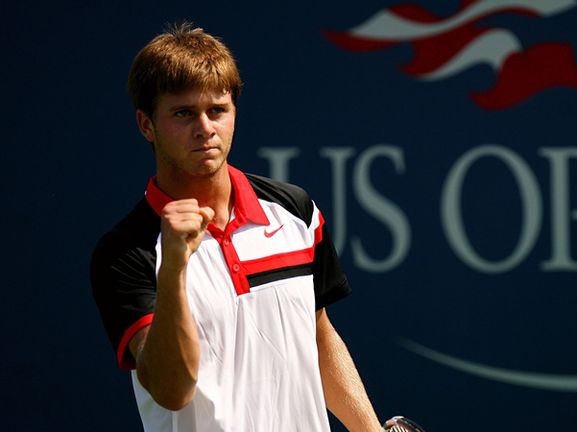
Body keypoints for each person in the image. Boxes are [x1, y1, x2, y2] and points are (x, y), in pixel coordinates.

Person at [91, 22, 381, 432]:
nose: (204, 128)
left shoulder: (295, 212)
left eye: (217, 110)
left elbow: (319, 337)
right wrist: (173, 267)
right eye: (183, 113)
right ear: (146, 125)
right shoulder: (125, 252)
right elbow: (172, 391)